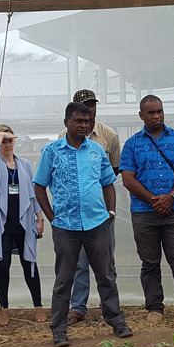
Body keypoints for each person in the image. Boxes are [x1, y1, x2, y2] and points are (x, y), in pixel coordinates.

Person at [34, 102, 133, 347]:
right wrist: (52, 217)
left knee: (106, 275)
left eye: (87, 121)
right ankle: (59, 330)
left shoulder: (97, 151)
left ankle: (116, 321)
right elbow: (39, 185)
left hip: (97, 224)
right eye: (78, 121)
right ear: (66, 122)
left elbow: (108, 183)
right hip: (65, 226)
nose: (83, 125)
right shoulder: (51, 151)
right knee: (64, 279)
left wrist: (110, 211)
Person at [120, 94, 174, 324]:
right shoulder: (132, 143)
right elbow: (127, 178)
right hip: (143, 212)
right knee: (149, 262)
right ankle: (155, 308)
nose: (156, 116)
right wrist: (153, 200)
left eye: (159, 111)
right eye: (151, 112)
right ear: (141, 115)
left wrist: (171, 196)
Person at [65, 89, 122, 325]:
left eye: (92, 105)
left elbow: (113, 172)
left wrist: (109, 209)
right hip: (74, 213)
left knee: (106, 261)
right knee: (79, 261)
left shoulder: (108, 136)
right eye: (84, 106)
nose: (90, 109)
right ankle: (78, 307)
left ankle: (110, 307)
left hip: (100, 213)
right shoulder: (62, 136)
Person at [0, 124, 45, 326]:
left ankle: (38, 305)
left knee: (30, 263)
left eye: (10, 140)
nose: (7, 145)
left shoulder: (24, 163)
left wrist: (40, 217)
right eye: (3, 141)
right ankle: (4, 308)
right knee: (3, 264)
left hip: (24, 220)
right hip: (3, 222)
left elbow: (33, 190)